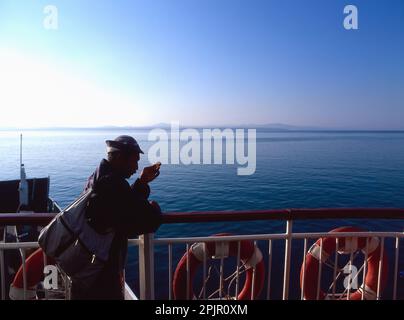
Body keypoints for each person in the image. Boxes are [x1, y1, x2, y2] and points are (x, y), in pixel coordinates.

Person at [70, 135, 162, 300]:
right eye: (134, 161)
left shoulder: (98, 178)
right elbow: (143, 222)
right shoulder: (112, 184)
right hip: (101, 273)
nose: (136, 167)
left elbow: (123, 205)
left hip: (89, 267)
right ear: (119, 158)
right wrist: (154, 209)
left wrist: (142, 182)